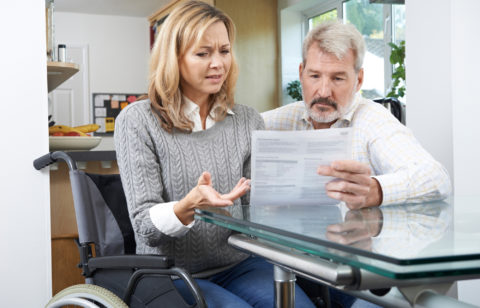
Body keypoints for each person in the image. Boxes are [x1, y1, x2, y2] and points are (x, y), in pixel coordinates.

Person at [114, 1, 315, 307]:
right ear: (174, 58)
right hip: (170, 272)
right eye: (203, 53)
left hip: (241, 264)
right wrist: (187, 206)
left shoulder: (247, 120)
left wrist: (293, 192)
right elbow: (144, 225)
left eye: (224, 50)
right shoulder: (137, 120)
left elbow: (258, 212)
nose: (218, 63)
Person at [262, 21, 451, 308]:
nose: (323, 90)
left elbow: (436, 178)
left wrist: (375, 190)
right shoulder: (277, 121)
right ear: (301, 73)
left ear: (359, 80)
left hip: (362, 271)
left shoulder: (372, 119)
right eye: (314, 75)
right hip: (297, 265)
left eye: (338, 78)